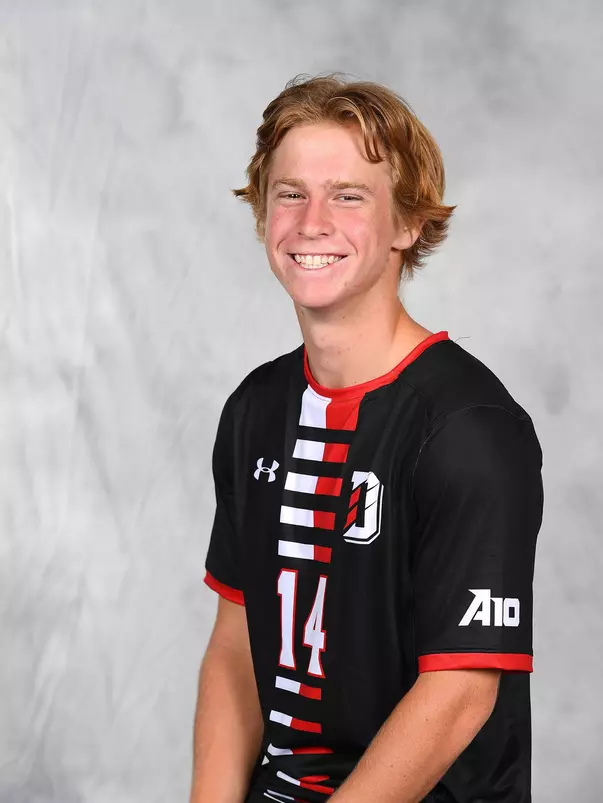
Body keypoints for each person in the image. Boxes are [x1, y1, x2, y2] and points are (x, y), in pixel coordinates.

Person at [189, 73, 544, 803]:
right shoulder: (255, 408)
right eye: (289, 193)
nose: (311, 220)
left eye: (348, 195)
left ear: (407, 224)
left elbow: (458, 692)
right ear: (263, 215)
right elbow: (235, 648)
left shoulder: (469, 429)